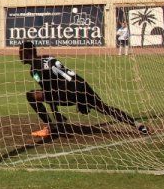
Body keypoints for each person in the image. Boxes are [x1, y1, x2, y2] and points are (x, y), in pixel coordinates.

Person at [19, 40, 151, 139]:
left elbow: (49, 92)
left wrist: (57, 116)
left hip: (67, 92)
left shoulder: (35, 70)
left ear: (28, 52)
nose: (19, 56)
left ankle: (50, 126)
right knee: (103, 107)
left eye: (21, 53)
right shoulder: (47, 57)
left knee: (30, 96)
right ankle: (138, 125)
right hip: (81, 84)